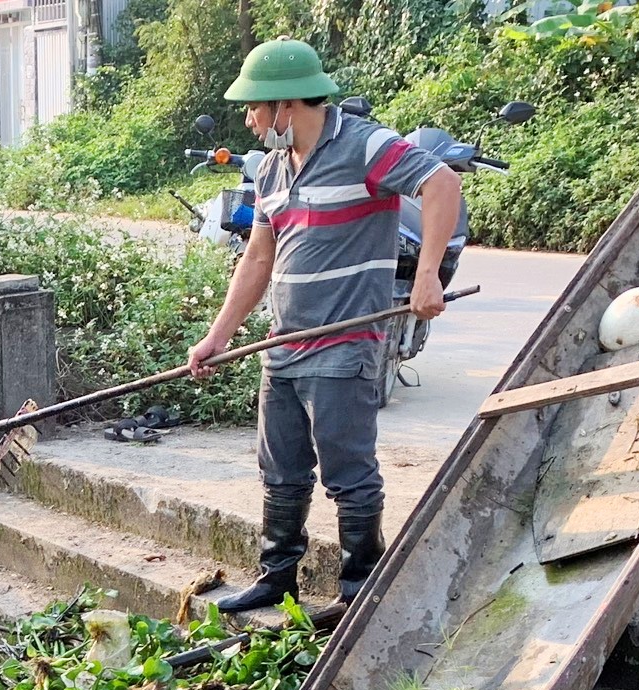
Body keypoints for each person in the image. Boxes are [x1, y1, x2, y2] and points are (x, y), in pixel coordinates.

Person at [186, 41, 466, 615]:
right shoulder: (271, 168)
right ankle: (276, 577)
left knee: (348, 473)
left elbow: (441, 184)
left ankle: (359, 588)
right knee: (281, 471)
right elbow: (258, 258)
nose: (250, 120)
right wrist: (218, 336)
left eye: (255, 108)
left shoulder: (365, 145)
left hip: (344, 343)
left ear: (286, 105)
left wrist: (427, 276)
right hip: (283, 344)